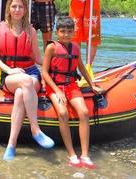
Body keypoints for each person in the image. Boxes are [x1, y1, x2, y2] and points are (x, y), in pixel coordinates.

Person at [0, 0, 54, 160]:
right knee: (24, 82)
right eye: (14, 6)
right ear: (9, 9)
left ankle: (11, 144)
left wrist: (55, 62)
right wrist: (9, 70)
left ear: (25, 10)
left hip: (31, 72)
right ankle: (35, 130)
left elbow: (38, 59)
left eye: (20, 7)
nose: (17, 10)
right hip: (9, 74)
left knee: (20, 93)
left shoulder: (30, 30)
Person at [41, 16, 103, 168]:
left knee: (84, 112)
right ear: (57, 33)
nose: (66, 35)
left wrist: (92, 84)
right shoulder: (51, 47)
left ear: (73, 32)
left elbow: (81, 68)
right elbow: (44, 72)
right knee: (63, 113)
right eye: (63, 31)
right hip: (54, 86)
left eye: (69, 31)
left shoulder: (75, 47)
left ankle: (85, 155)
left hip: (71, 85)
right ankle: (72, 154)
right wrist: (57, 91)